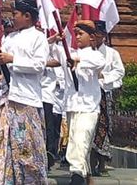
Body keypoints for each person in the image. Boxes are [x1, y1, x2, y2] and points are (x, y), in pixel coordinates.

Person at [0, 0, 50, 185]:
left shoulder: (38, 37)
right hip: (7, 98)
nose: (13, 18)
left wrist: (12, 59)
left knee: (27, 148)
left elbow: (38, 65)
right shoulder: (9, 38)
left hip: (27, 99)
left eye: (15, 14)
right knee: (1, 144)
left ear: (27, 16)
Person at [63, 20, 107, 185]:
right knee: (76, 142)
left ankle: (76, 175)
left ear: (92, 37)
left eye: (81, 34)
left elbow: (98, 64)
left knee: (81, 139)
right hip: (72, 105)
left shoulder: (95, 55)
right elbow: (56, 60)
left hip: (89, 107)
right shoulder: (72, 54)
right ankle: (85, 174)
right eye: (76, 34)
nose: (78, 37)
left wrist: (78, 61)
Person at [91, 22, 125, 177]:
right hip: (89, 96)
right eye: (93, 35)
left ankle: (102, 163)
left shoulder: (112, 53)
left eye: (98, 35)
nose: (95, 38)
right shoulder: (86, 52)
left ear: (103, 36)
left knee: (104, 128)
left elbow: (119, 71)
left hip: (105, 94)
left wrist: (104, 76)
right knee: (90, 129)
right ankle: (90, 164)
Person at [42, 31, 64, 170]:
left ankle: (50, 155)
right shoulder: (41, 45)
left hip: (51, 96)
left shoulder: (58, 49)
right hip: (38, 95)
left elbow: (59, 62)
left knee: (52, 129)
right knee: (42, 127)